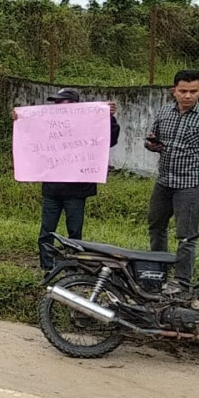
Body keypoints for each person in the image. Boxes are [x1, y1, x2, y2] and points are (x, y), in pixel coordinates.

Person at [14, 89, 121, 270]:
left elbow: (109, 140)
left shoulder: (89, 122)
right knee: (46, 231)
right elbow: (30, 136)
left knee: (75, 233)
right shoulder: (48, 123)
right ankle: (47, 267)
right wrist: (20, 119)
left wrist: (108, 118)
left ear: (74, 104)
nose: (59, 106)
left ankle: (73, 266)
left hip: (77, 190)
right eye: (56, 102)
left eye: (63, 101)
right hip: (52, 189)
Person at [145, 69, 199, 286]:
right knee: (156, 227)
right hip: (163, 182)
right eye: (183, 91)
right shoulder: (164, 113)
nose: (188, 96)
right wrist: (152, 144)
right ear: (174, 91)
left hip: (190, 185)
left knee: (186, 237)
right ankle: (156, 274)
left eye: (193, 91)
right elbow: (152, 139)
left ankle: (182, 283)